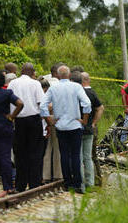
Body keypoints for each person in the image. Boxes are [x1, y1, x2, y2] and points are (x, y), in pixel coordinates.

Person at [40, 65, 91, 193]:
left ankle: (67, 183)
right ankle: (78, 183)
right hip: (74, 125)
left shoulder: (53, 88)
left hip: (60, 126)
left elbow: (43, 106)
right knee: (75, 155)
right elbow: (87, 103)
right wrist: (84, 120)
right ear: (69, 75)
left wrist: (49, 120)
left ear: (57, 75)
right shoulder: (76, 87)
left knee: (64, 154)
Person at [8, 63, 45, 192]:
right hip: (34, 120)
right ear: (32, 72)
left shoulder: (13, 83)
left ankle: (20, 184)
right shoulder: (35, 84)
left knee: (20, 152)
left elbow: (9, 100)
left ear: (21, 71)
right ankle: (34, 183)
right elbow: (41, 103)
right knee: (35, 152)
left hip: (18, 120)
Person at [80, 72, 104, 189]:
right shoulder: (92, 93)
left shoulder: (80, 93)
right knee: (90, 156)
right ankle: (94, 181)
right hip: (90, 128)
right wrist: (94, 123)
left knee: (81, 157)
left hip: (80, 128)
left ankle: (82, 182)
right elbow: (100, 108)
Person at [42, 64, 63, 182]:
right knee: (57, 147)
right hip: (55, 118)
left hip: (44, 119)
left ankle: (45, 175)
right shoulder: (56, 84)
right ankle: (57, 174)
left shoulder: (44, 79)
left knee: (48, 148)